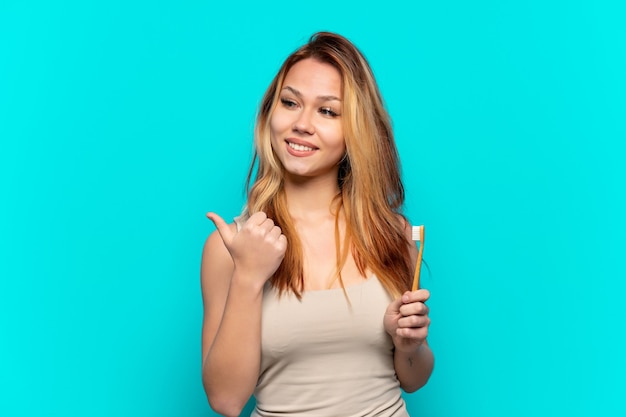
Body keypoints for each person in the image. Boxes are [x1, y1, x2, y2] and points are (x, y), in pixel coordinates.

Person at [201, 32, 434, 417]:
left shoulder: (391, 233)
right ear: (268, 114)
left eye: (327, 111)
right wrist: (248, 277)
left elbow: (412, 377)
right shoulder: (230, 247)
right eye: (290, 103)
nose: (302, 124)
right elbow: (226, 401)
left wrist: (410, 346)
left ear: (356, 129)